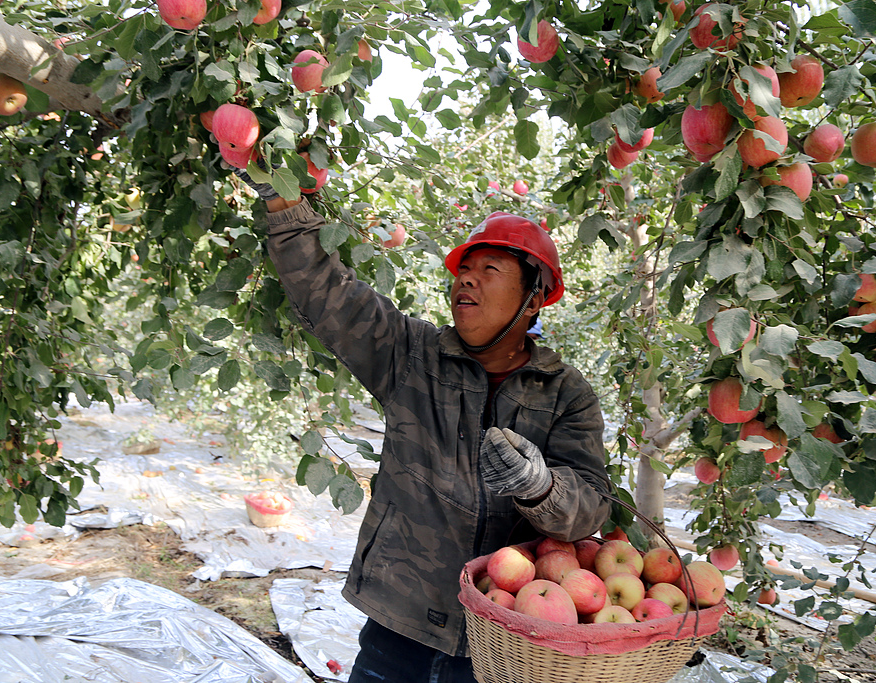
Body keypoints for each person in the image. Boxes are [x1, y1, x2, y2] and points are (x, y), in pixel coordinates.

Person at [235, 167, 612, 682]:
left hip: (507, 644)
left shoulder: (566, 395)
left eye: (490, 268)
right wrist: (283, 204)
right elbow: (332, 297)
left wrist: (541, 487)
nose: (467, 278)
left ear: (534, 297)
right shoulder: (414, 356)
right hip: (400, 626)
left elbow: (591, 505)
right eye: (464, 268)